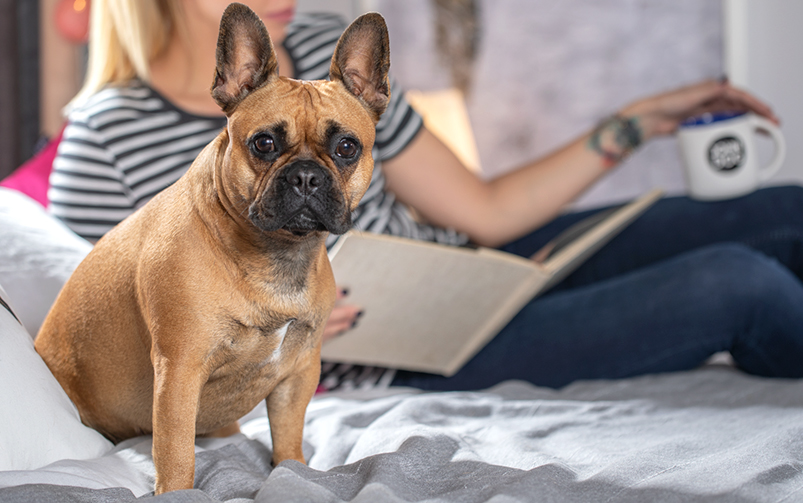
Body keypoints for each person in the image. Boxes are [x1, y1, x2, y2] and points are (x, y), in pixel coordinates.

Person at [49, 0, 803, 393]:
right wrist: (273, 334)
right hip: (404, 351)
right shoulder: (104, 140)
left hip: (474, 267)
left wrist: (636, 126)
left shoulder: (322, 51)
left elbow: (483, 211)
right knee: (740, 281)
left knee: (782, 208)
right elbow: (111, 351)